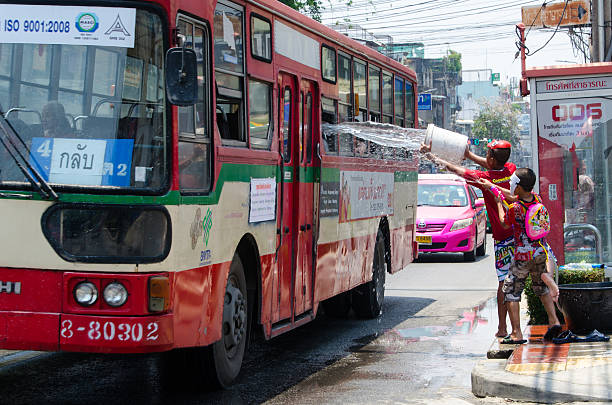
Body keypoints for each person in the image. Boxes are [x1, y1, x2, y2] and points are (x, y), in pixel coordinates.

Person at [421, 139, 516, 339]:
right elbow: (494, 165)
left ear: (490, 158)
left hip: (502, 241)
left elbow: (455, 170)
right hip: (520, 237)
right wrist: (470, 156)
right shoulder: (510, 170)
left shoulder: (483, 179)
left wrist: (431, 156)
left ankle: (502, 328)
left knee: (504, 283)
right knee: (525, 281)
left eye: (487, 155)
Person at [487, 168, 561, 343]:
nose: (511, 186)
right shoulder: (537, 199)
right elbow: (515, 196)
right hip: (540, 252)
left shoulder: (516, 208)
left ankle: (516, 333)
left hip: (522, 256)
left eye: (513, 183)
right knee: (541, 289)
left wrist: (498, 203)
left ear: (519, 187)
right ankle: (554, 321)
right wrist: (494, 188)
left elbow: (505, 224)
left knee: (511, 291)